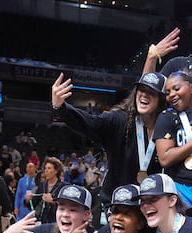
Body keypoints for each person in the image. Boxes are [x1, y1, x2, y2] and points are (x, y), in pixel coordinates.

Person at [52, 71, 167, 206]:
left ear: (161, 100)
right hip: (115, 203)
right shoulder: (118, 120)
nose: (144, 95)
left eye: (152, 92)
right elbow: (89, 123)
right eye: (141, 89)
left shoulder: (166, 129)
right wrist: (61, 107)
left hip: (149, 205)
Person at [153, 71, 192, 207]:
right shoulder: (166, 117)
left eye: (176, 89)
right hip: (182, 186)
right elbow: (164, 158)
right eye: (167, 92)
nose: (171, 95)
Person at [26, 156, 66, 224]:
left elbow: (66, 207)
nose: (46, 171)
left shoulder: (64, 186)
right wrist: (28, 200)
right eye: (45, 168)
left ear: (56, 171)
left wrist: (52, 201)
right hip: (43, 222)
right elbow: (34, 205)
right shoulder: (42, 185)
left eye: (49, 168)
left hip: (57, 222)